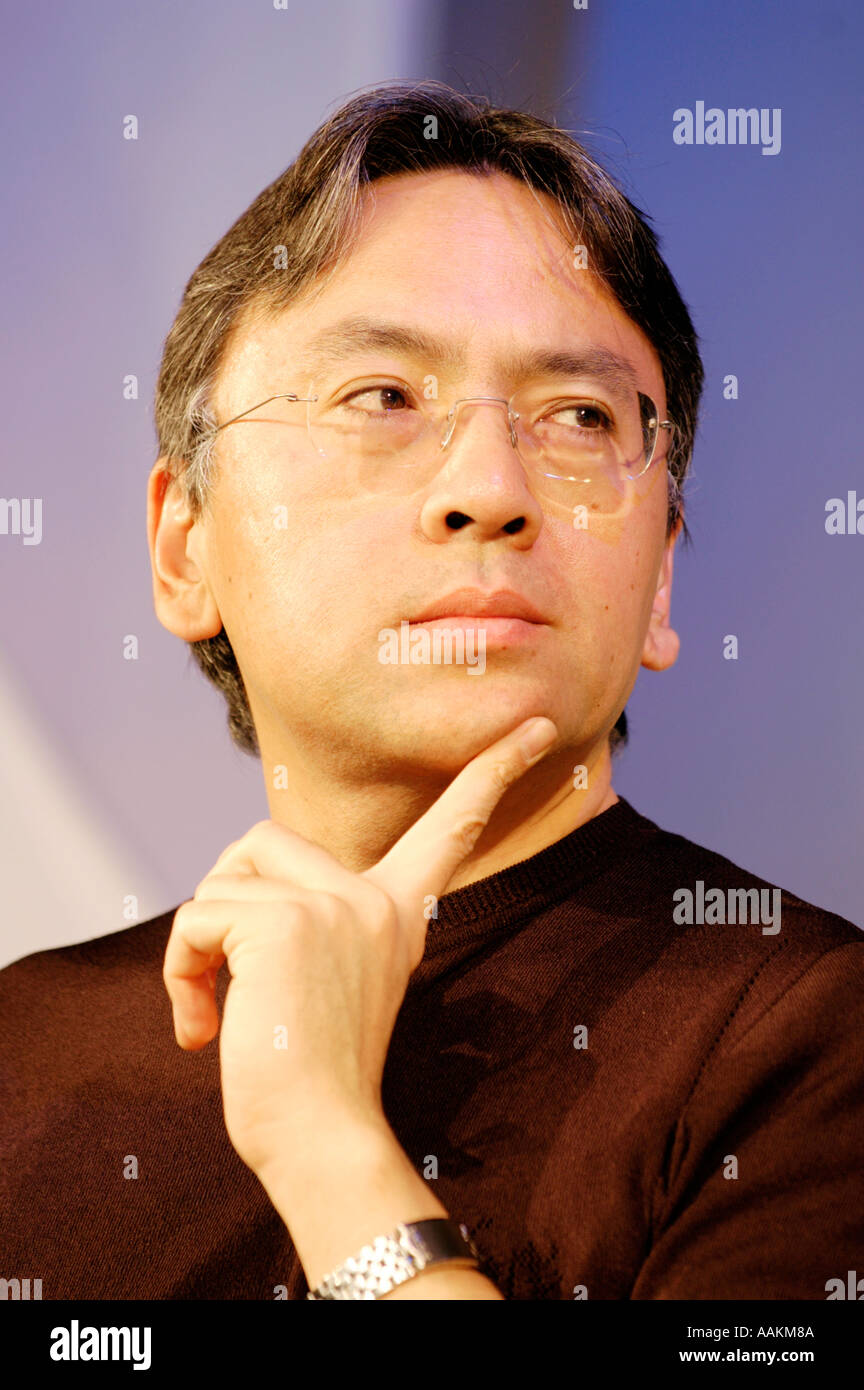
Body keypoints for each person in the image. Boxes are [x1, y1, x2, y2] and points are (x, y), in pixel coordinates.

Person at [1, 81, 861, 1303]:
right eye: (383, 398)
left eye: (577, 415)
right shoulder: (23, 1049)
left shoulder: (803, 1036)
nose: (488, 485)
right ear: (185, 544)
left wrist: (327, 1146)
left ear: (663, 572)